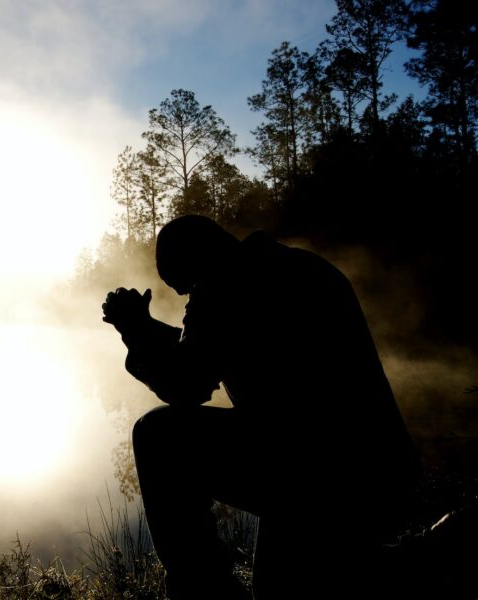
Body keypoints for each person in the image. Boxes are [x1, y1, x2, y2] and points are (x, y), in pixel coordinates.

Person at [102, 215, 420, 599]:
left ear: (200, 259)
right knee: (285, 587)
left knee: (158, 435)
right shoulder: (296, 266)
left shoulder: (225, 286)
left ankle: (204, 592)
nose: (190, 298)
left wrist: (135, 332)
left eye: (188, 288)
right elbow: (210, 345)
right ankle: (447, 551)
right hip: (378, 468)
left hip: (314, 471)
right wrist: (148, 330)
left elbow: (187, 383)